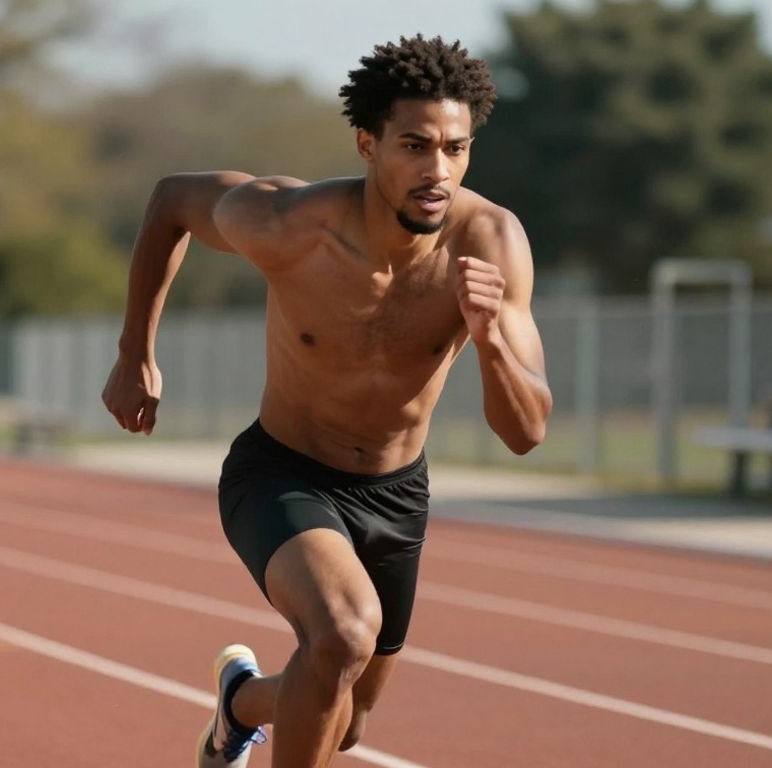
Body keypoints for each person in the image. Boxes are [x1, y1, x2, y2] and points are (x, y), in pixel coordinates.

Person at [101, 35, 552, 768]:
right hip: (282, 473)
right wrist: (134, 352)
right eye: (414, 145)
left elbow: (526, 432)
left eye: (455, 148)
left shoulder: (491, 245)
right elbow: (173, 201)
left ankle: (238, 705)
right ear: (367, 144)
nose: (437, 170)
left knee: (345, 722)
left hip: (396, 493)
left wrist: (491, 342)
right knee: (343, 634)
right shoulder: (291, 224)